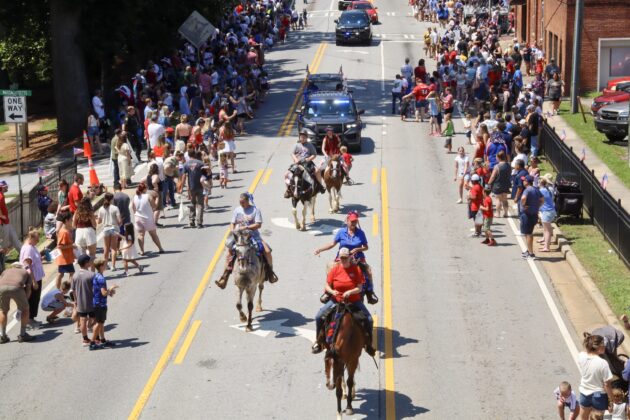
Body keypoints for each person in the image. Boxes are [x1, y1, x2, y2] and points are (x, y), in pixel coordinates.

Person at [311, 247, 375, 356]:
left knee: (369, 319)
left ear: (350, 257)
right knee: (319, 316)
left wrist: (350, 292)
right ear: (339, 258)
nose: (344, 260)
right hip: (336, 300)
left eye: (345, 257)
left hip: (353, 301)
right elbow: (327, 285)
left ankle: (369, 345)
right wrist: (332, 291)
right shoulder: (335, 269)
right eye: (342, 258)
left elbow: (359, 288)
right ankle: (319, 341)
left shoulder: (356, 270)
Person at [215, 193, 277, 289]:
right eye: (240, 202)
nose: (241, 204)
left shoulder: (255, 210)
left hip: (253, 236)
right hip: (239, 237)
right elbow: (232, 223)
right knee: (229, 254)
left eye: (243, 202)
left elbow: (258, 224)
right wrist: (233, 230)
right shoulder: (237, 210)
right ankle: (224, 277)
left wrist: (246, 227)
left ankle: (270, 273)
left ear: (248, 201)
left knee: (267, 251)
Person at [314, 211, 378, 304]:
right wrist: (320, 249)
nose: (353, 223)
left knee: (368, 270)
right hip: (343, 256)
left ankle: (370, 292)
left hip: (357, 257)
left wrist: (357, 249)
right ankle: (328, 292)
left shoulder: (361, 233)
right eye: (352, 221)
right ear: (347, 221)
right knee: (330, 267)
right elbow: (332, 244)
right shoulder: (341, 232)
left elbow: (366, 247)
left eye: (355, 221)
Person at [577, 333, 613, 419]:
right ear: (598, 346)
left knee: (583, 418)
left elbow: (585, 351)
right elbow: (607, 385)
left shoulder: (581, 356)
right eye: (603, 343)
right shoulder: (603, 363)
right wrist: (611, 400)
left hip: (584, 394)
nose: (604, 345)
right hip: (598, 396)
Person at [0, 263, 34, 343]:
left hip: (1, 288)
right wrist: (25, 301)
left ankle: (2, 336)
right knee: (25, 309)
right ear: (21, 267)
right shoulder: (25, 272)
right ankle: (23, 335)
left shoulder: (6, 271)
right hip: (16, 287)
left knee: (3, 311)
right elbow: (28, 288)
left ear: (12, 267)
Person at [285, 130, 325, 197]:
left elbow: (314, 154)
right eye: (301, 137)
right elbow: (292, 153)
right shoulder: (297, 145)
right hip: (298, 163)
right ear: (299, 137)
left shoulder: (310, 145)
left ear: (306, 138)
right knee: (286, 175)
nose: (302, 138)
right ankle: (288, 190)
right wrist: (295, 159)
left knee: (317, 171)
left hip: (307, 163)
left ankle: (320, 186)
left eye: (304, 137)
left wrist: (308, 159)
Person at [19, 229, 45, 328]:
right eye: (37, 239)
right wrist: (33, 281)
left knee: (35, 298)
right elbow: (28, 266)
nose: (38, 241)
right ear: (31, 238)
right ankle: (29, 320)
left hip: (36, 277)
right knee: (32, 299)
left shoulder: (31, 246)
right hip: (33, 278)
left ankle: (31, 319)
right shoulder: (28, 249)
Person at [91, 258, 118, 349]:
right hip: (100, 304)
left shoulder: (97, 275)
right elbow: (103, 293)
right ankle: (92, 343)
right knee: (99, 323)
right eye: (105, 264)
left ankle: (103, 340)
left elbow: (100, 291)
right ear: (101, 266)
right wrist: (111, 288)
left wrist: (109, 292)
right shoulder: (101, 278)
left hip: (97, 302)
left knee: (101, 323)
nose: (106, 265)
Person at [132, 182, 164, 255]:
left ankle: (142, 251)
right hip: (147, 218)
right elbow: (154, 206)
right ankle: (160, 248)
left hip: (138, 218)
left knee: (141, 235)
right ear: (144, 189)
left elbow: (133, 208)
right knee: (153, 235)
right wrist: (157, 198)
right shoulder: (148, 196)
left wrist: (136, 214)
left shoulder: (135, 197)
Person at [72, 254, 95, 347]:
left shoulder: (75, 275)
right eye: (89, 261)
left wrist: (76, 301)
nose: (91, 262)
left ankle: (85, 339)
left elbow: (73, 290)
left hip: (80, 302)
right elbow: (95, 289)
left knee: (82, 320)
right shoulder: (91, 275)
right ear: (86, 263)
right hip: (91, 302)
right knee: (95, 319)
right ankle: (96, 338)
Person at [519, 175, 544, 260]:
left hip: (527, 215)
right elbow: (542, 200)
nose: (523, 182)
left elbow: (523, 198)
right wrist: (537, 206)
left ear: (527, 181)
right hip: (534, 214)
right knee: (528, 233)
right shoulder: (536, 189)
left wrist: (523, 205)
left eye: (524, 180)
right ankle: (528, 250)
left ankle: (531, 254)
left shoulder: (527, 190)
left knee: (528, 234)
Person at [180, 151, 205, 228]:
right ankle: (199, 223)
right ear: (195, 154)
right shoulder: (200, 163)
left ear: (188, 155)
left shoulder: (186, 164)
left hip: (191, 187)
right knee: (200, 204)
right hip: (200, 186)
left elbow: (184, 176)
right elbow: (205, 174)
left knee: (192, 203)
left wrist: (181, 187)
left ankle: (192, 221)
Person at [97, 193, 121, 269]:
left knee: (106, 248)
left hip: (105, 229)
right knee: (113, 249)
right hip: (114, 228)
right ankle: (113, 266)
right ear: (111, 199)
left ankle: (105, 265)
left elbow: (99, 222)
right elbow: (119, 221)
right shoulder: (115, 208)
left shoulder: (101, 209)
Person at [54, 211, 77, 289]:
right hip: (64, 258)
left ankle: (60, 289)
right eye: (71, 220)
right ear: (66, 220)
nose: (72, 221)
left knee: (62, 273)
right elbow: (60, 246)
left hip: (66, 257)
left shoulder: (65, 231)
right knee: (69, 273)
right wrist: (71, 245)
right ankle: (66, 289)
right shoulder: (64, 232)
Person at [487, 150, 511, 217]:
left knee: (498, 199)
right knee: (505, 199)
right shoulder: (508, 165)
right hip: (506, 184)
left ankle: (498, 213)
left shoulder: (497, 166)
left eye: (496, 157)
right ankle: (506, 213)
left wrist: (488, 184)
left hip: (498, 185)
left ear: (499, 157)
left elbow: (492, 176)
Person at [0, 180, 22, 252]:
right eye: (5, 186)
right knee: (4, 244)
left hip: (6, 222)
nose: (7, 188)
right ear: (1, 187)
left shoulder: (2, 195)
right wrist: (1, 216)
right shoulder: (0, 196)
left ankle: (23, 253)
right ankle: (2, 257)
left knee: (14, 238)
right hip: (2, 223)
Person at [538, 175, 557, 252]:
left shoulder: (542, 190)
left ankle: (546, 247)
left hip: (547, 211)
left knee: (547, 230)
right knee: (547, 229)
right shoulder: (548, 189)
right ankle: (546, 245)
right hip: (550, 211)